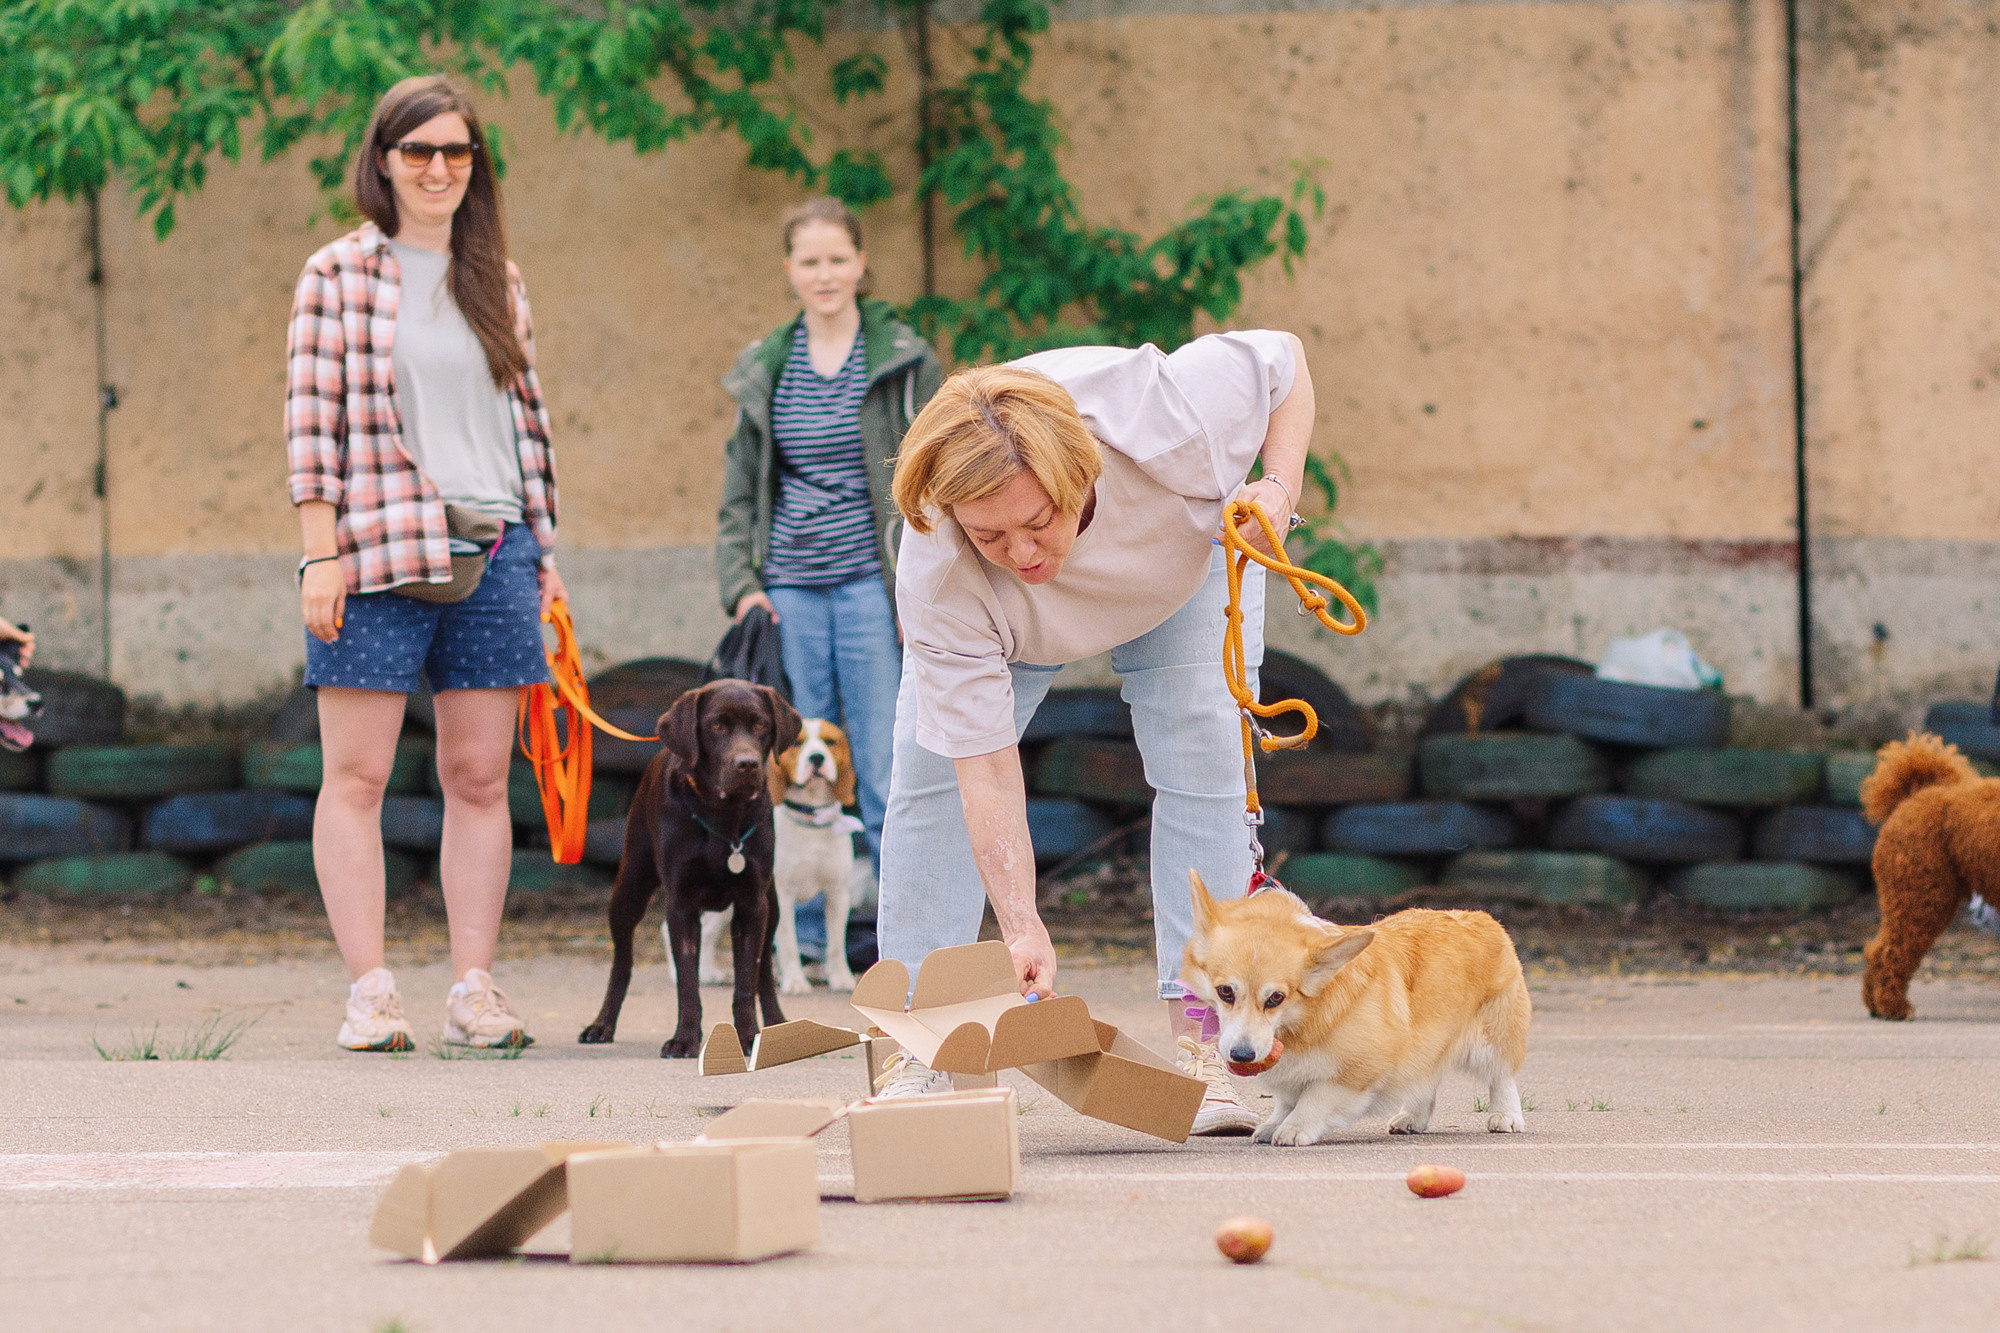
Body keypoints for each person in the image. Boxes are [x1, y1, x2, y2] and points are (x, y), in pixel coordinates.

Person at [871, 330, 1316, 1134]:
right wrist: (1021, 922)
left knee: (1201, 757)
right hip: (1010, 631)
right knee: (930, 774)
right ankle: (916, 1038)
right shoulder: (940, 565)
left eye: (1038, 521)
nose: (1022, 551)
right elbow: (988, 771)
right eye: (990, 535)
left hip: (1182, 569)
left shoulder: (1174, 415)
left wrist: (1279, 490)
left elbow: (1286, 361)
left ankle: (1205, 1050)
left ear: (1079, 475)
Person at [286, 74, 563, 1052]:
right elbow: (311, 428)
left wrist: (544, 550)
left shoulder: (499, 277)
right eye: (419, 151)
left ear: (474, 165)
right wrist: (320, 555)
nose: (439, 168)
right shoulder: (337, 275)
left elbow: (523, 423)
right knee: (355, 777)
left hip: (495, 547)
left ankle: (473, 989)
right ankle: (370, 992)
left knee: (481, 777)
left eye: (456, 152)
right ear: (383, 160)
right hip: (372, 553)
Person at [715, 197, 944, 893]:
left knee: (880, 757)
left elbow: (938, 479)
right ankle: (807, 933)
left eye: (838, 259)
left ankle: (899, 934)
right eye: (809, 261)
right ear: (789, 269)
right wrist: (741, 584)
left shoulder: (907, 360)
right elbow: (739, 491)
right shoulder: (766, 365)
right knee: (793, 759)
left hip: (873, 586)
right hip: (789, 587)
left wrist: (920, 583)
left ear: (861, 264)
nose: (825, 274)